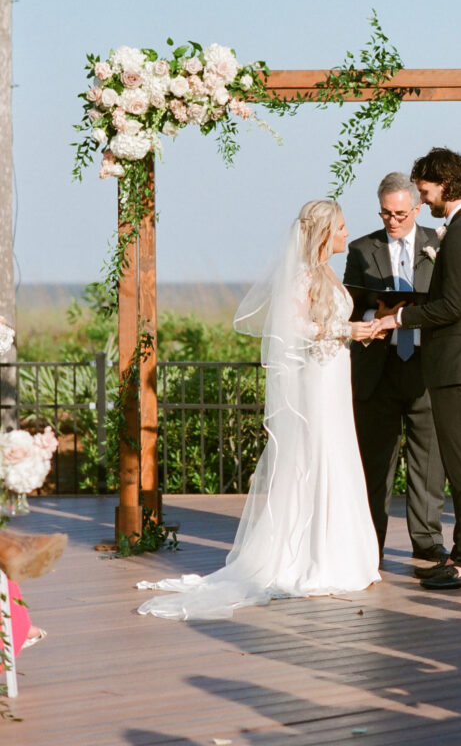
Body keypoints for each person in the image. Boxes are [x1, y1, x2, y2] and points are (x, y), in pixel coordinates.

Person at [138, 200, 380, 620]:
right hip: (317, 382)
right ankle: (313, 556)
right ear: (324, 233)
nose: (346, 234)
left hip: (334, 374)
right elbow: (292, 327)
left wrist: (357, 331)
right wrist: (347, 328)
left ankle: (342, 551)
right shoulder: (302, 274)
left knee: (338, 452)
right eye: (340, 228)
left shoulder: (324, 272)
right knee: (318, 453)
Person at [373, 147, 461, 590]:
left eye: (425, 189)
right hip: (458, 364)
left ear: (443, 184)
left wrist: (399, 318)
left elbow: (451, 306)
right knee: (460, 463)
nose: (422, 197)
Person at [343, 172, 446, 562]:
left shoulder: (439, 244)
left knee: (428, 460)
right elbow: (349, 306)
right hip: (377, 368)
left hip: (424, 366)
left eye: (401, 213)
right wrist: (377, 312)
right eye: (386, 213)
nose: (393, 221)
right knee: (375, 463)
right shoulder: (360, 249)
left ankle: (426, 541)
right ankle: (371, 545)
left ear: (417, 209)